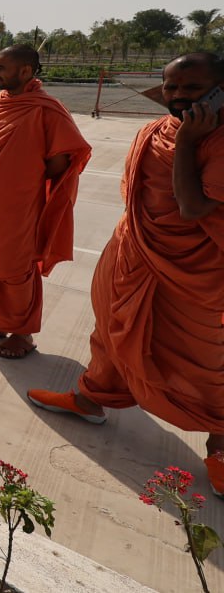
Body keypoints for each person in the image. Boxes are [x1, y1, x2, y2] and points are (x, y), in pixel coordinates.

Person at [28, 52, 224, 492]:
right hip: (134, 251)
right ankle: (90, 398)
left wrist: (191, 142)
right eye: (171, 87)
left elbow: (192, 209)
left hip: (194, 272)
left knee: (204, 360)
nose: (176, 97)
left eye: (192, 89)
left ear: (218, 91)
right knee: (114, 327)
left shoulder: (215, 142)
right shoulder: (157, 131)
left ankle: (220, 447)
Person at [0, 45, 92, 358]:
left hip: (19, 202)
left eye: (1, 67)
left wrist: (20, 173)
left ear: (25, 71)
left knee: (17, 267)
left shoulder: (46, 109)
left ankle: (24, 333)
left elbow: (60, 162)